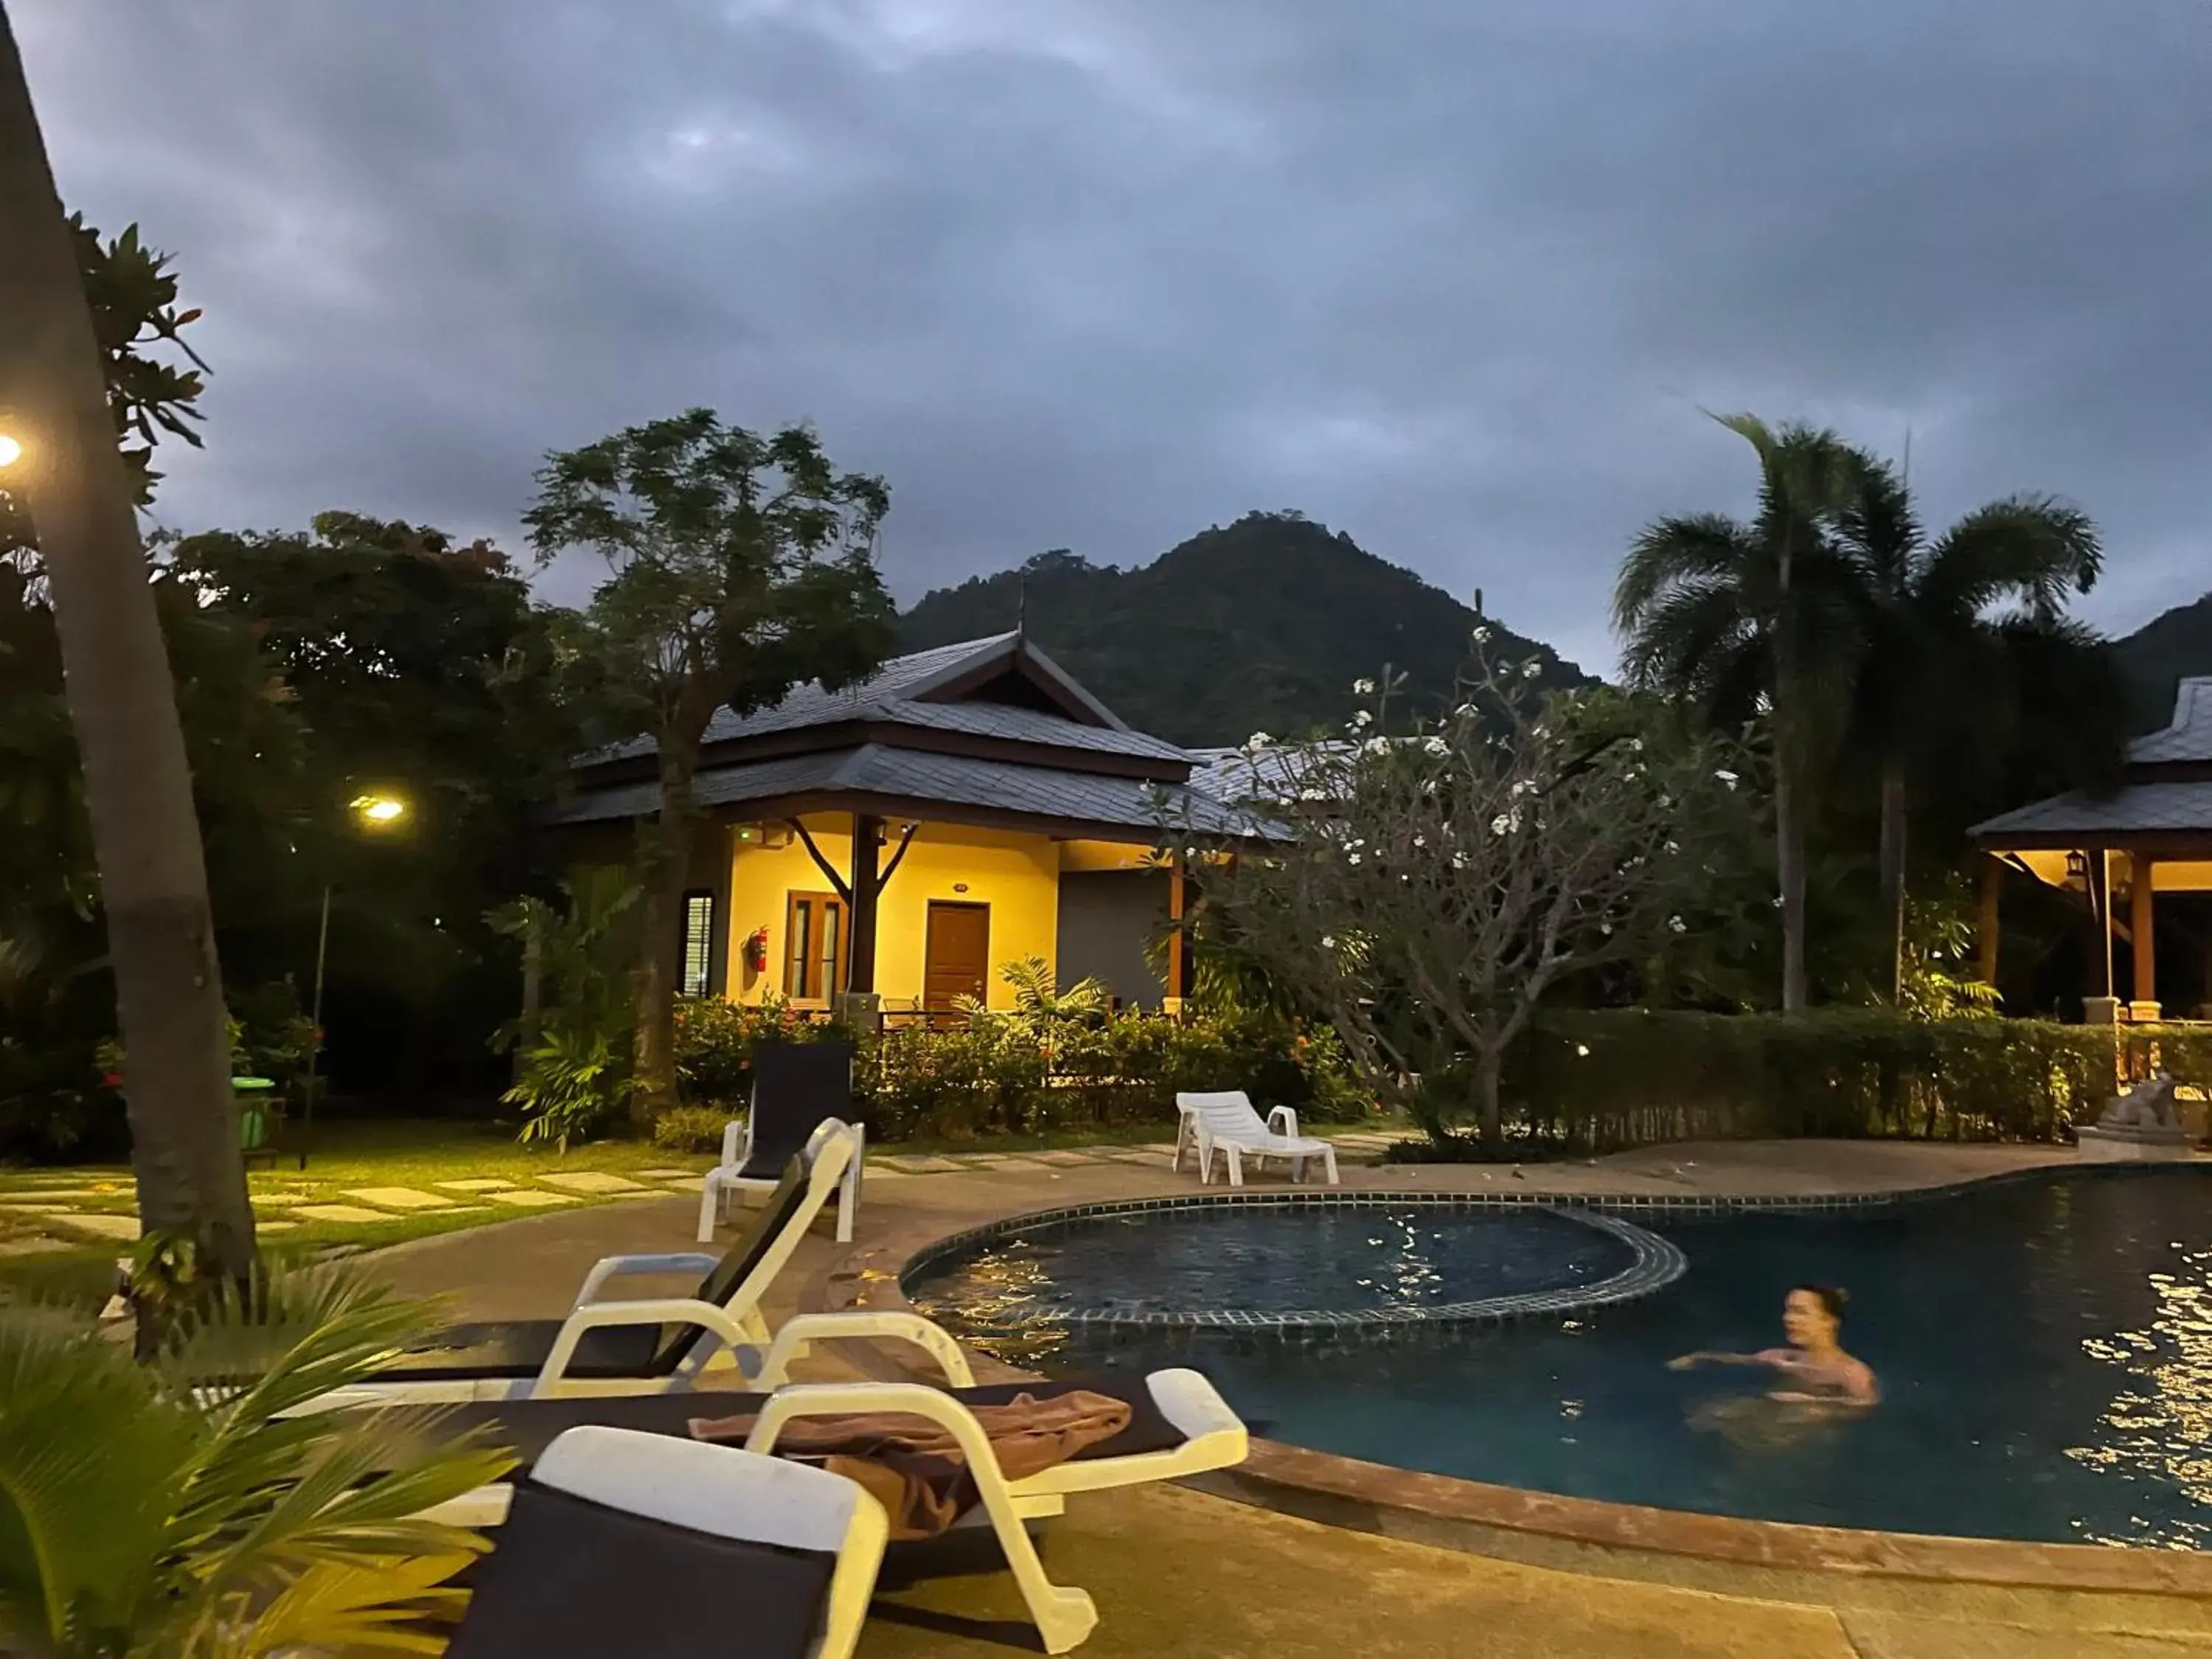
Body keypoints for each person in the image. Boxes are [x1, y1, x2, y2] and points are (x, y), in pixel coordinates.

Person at [1669, 1284, 1879, 1407]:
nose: (1788, 1318)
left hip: (1809, 1441)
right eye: (1788, 1311)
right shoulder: (1782, 1357)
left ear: (1830, 1321)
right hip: (1775, 1423)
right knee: (1712, 1411)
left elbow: (1868, 1404)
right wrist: (1698, 1357)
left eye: (1800, 1312)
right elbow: (1738, 1359)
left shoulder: (1850, 1372)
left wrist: (1810, 1401)